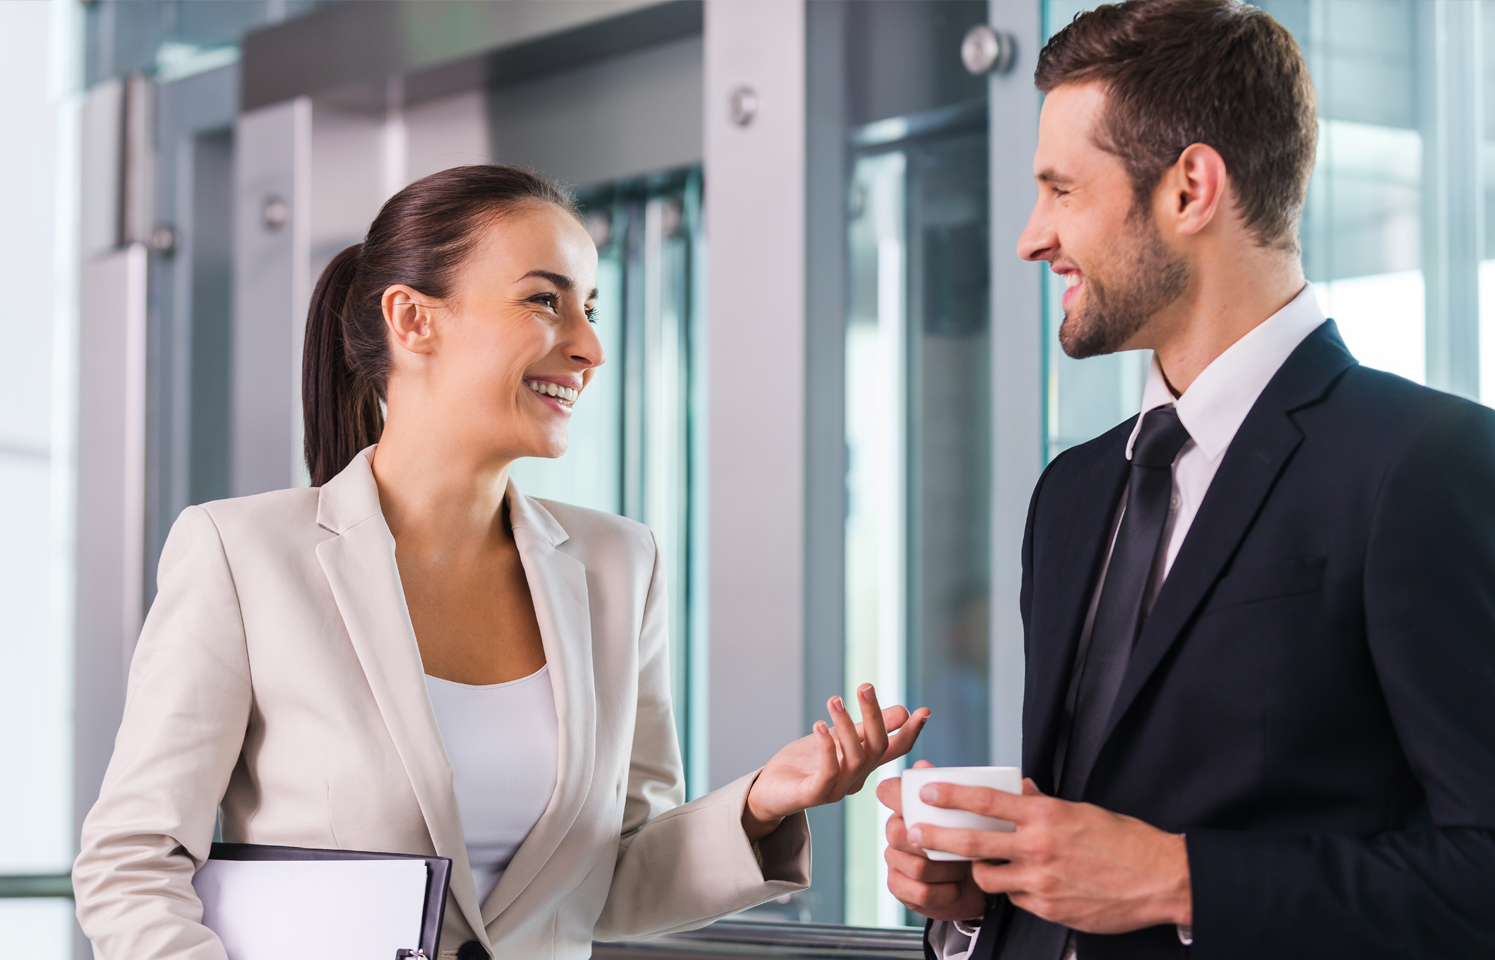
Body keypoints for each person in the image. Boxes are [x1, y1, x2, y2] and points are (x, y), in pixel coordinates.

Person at [73, 165, 930, 960]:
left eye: (591, 307)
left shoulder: (618, 567)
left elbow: (615, 882)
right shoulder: (242, 555)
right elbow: (132, 862)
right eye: (545, 302)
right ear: (414, 321)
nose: (589, 346)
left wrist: (759, 805)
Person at [876, 1, 1495, 958]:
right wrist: (981, 895)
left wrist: (1179, 881)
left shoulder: (1426, 462)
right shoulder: (1073, 493)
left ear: (1191, 188)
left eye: (1062, 190)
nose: (1031, 238)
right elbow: (1089, 853)